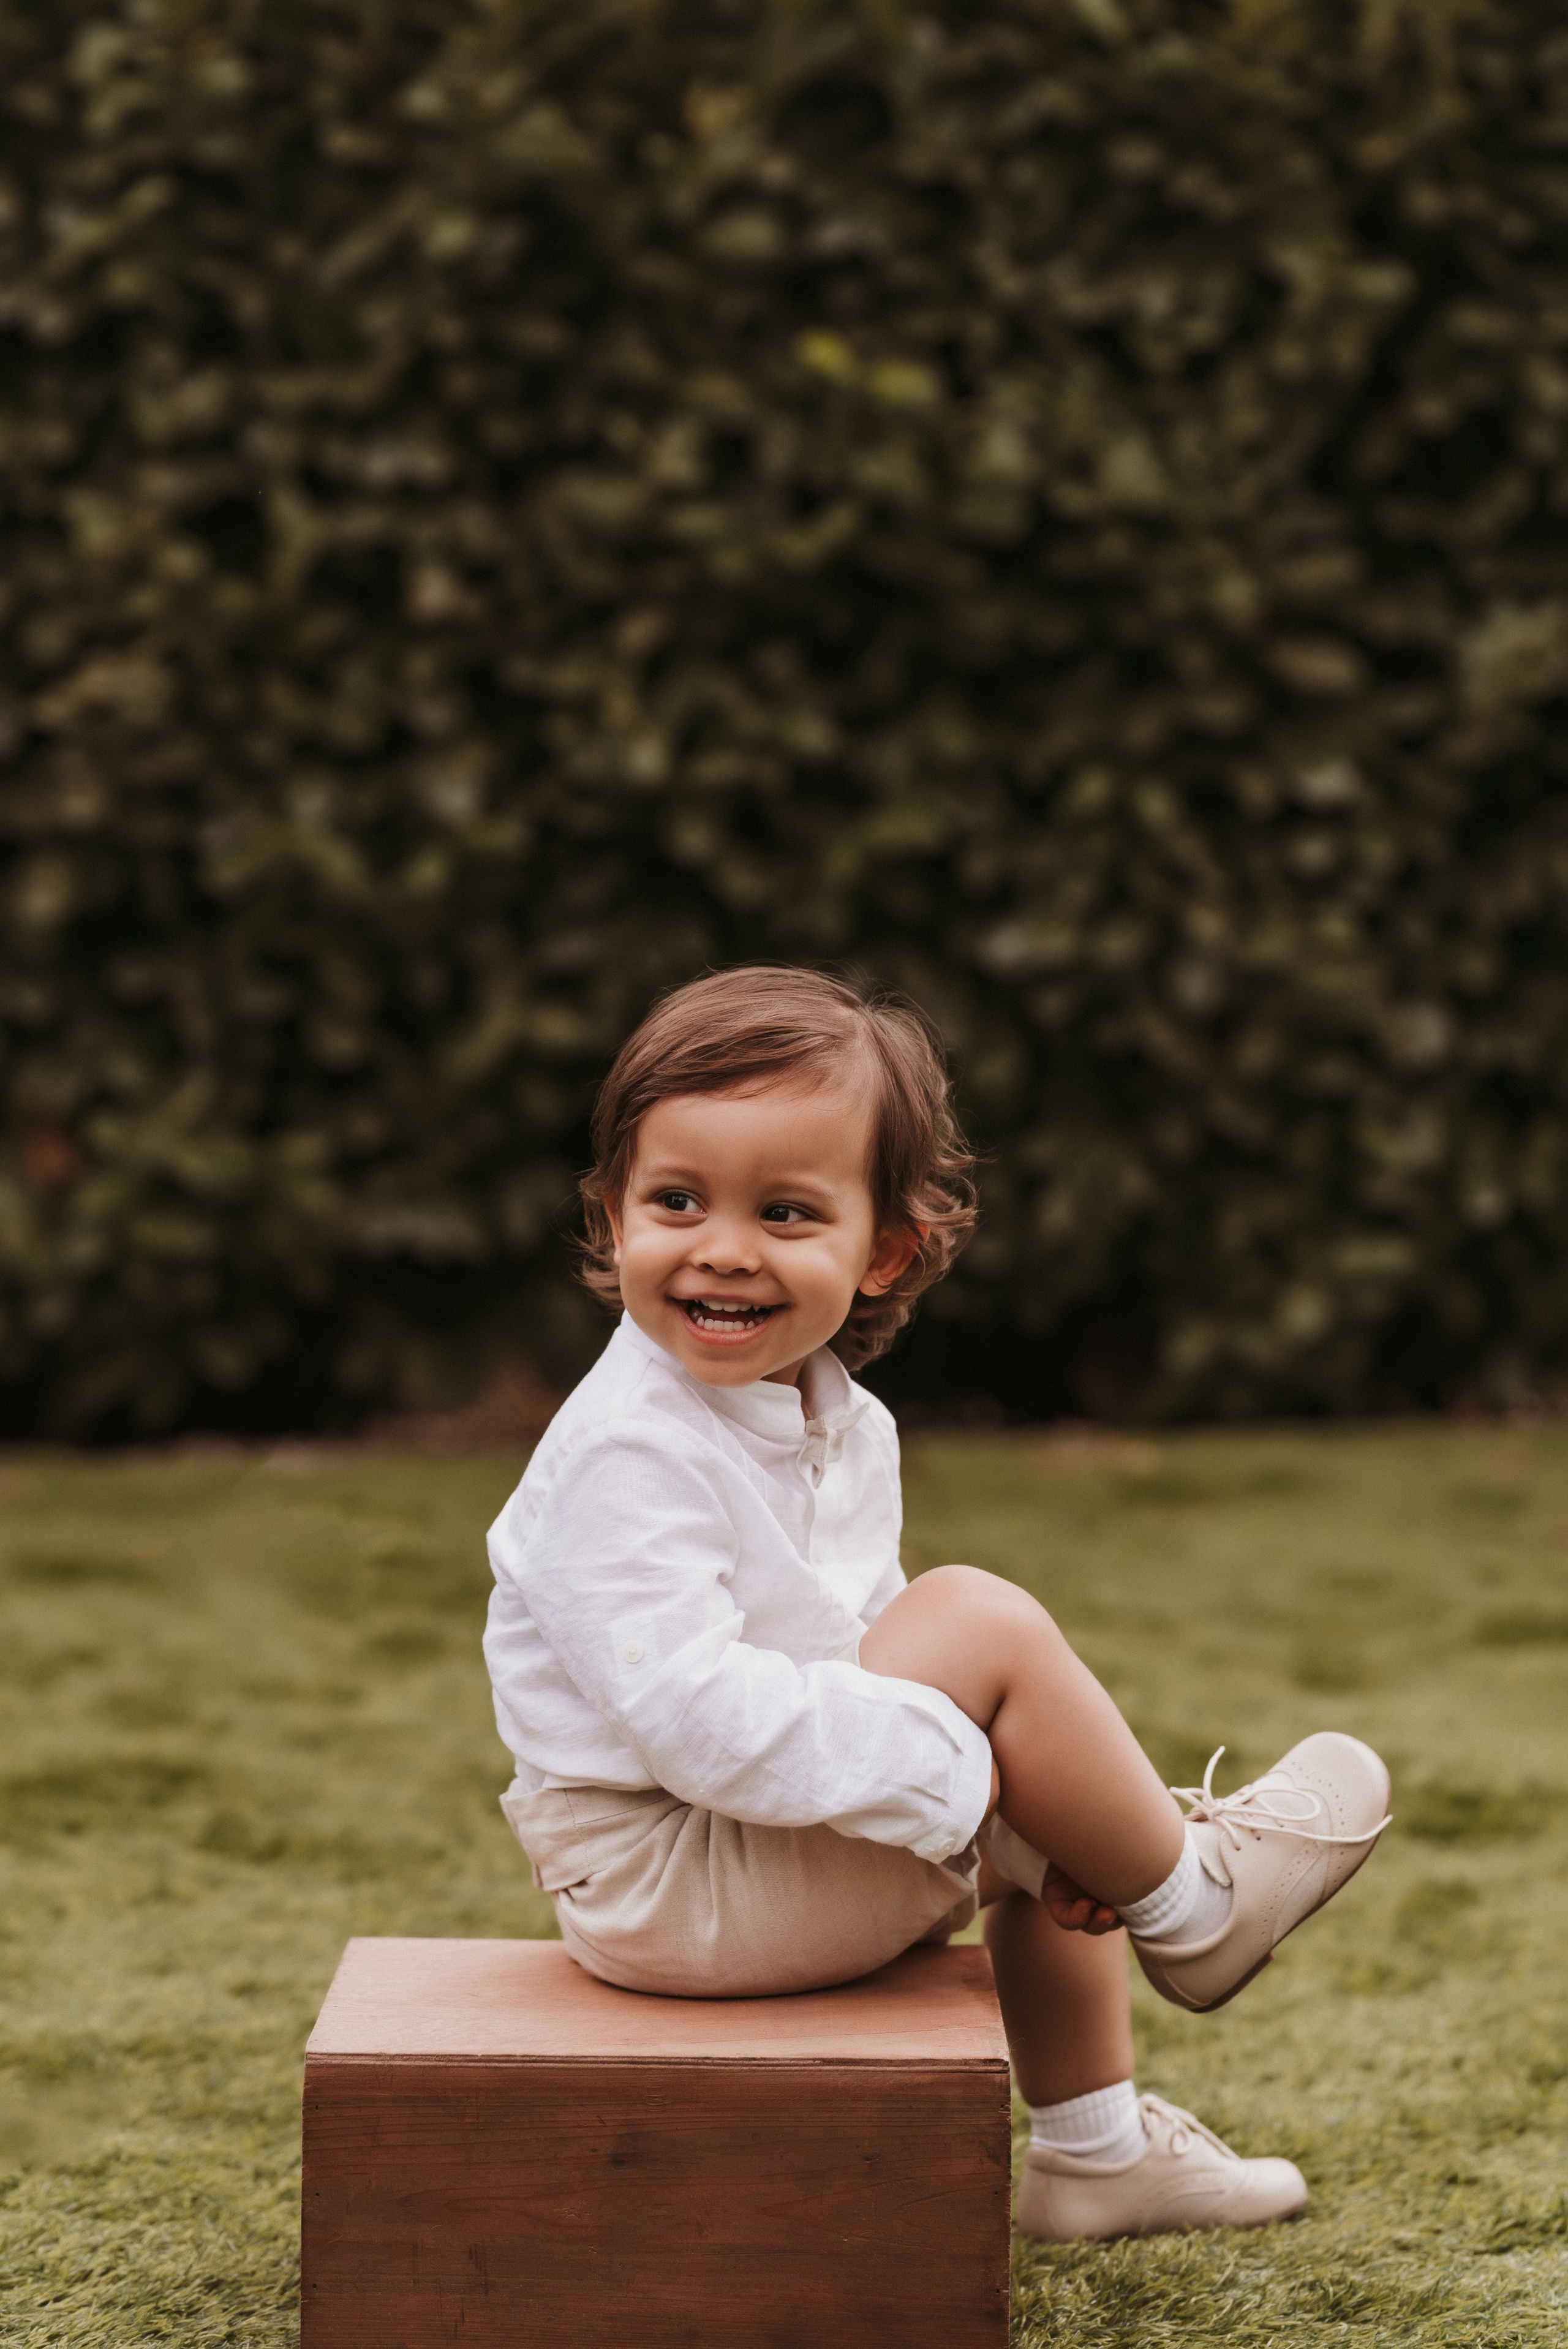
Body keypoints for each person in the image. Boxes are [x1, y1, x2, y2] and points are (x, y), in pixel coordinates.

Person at [483, 966, 1390, 2242]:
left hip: (743, 1837)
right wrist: (969, 1778)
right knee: (980, 1629)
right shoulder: (625, 1449)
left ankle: (1095, 2155)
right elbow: (696, 1724)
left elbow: (857, 1645)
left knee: (1058, 1793)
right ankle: (1193, 1905)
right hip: (670, 1881)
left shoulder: (840, 1420)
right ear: (613, 1213)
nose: (723, 1248)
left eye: (786, 1212)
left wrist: (1014, 1794)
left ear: (883, 1253)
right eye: (675, 1201)